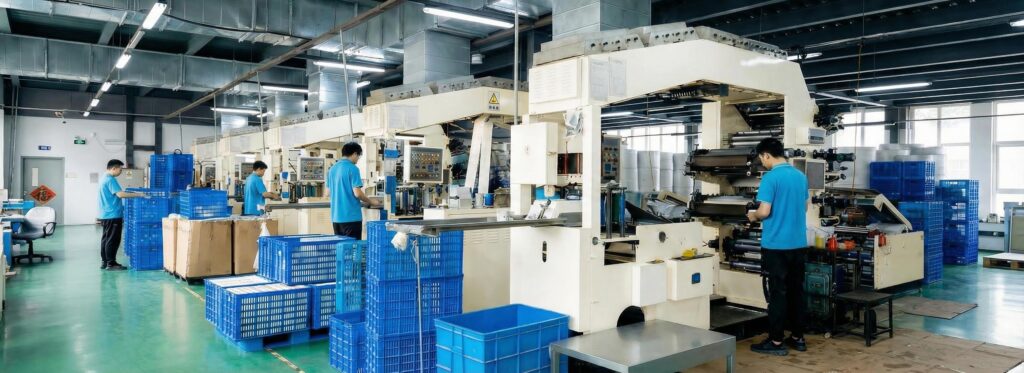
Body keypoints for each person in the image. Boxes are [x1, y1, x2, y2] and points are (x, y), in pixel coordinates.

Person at [746, 138, 810, 356]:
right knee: (797, 291)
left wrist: (752, 216)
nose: (762, 163)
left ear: (766, 155)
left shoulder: (770, 178)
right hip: (798, 244)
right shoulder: (800, 176)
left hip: (776, 246)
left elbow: (764, 211)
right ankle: (798, 337)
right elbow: (804, 206)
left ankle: (775, 342)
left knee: (777, 293)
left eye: (761, 159)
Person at [326, 142, 379, 239]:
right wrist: (371, 201)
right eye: (358, 156)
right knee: (354, 249)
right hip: (351, 218)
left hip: (336, 218)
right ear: (354, 154)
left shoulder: (332, 169)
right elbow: (357, 193)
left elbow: (328, 193)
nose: (358, 159)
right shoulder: (353, 169)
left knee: (342, 248)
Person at [98, 159, 143, 270]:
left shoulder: (103, 178)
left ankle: (105, 261)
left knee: (106, 239)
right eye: (120, 169)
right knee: (112, 240)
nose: (121, 171)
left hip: (105, 214)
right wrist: (139, 195)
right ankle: (111, 263)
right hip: (113, 214)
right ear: (114, 168)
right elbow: (120, 194)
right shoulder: (110, 179)